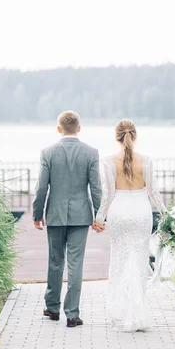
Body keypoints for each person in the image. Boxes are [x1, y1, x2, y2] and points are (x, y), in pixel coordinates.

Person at [93, 119, 167, 332]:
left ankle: (118, 314)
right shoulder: (147, 160)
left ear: (116, 137)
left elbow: (107, 195)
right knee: (139, 261)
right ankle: (138, 315)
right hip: (141, 214)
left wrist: (99, 219)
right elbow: (153, 193)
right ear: (135, 135)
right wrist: (166, 216)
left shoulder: (107, 161)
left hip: (119, 214)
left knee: (119, 261)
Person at [32, 110, 103, 327]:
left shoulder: (48, 152)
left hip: (54, 214)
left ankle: (52, 308)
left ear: (58, 128)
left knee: (55, 261)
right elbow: (96, 189)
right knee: (75, 264)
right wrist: (99, 215)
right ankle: (72, 314)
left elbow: (41, 187)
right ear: (79, 128)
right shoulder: (91, 153)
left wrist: (37, 213)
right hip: (81, 216)